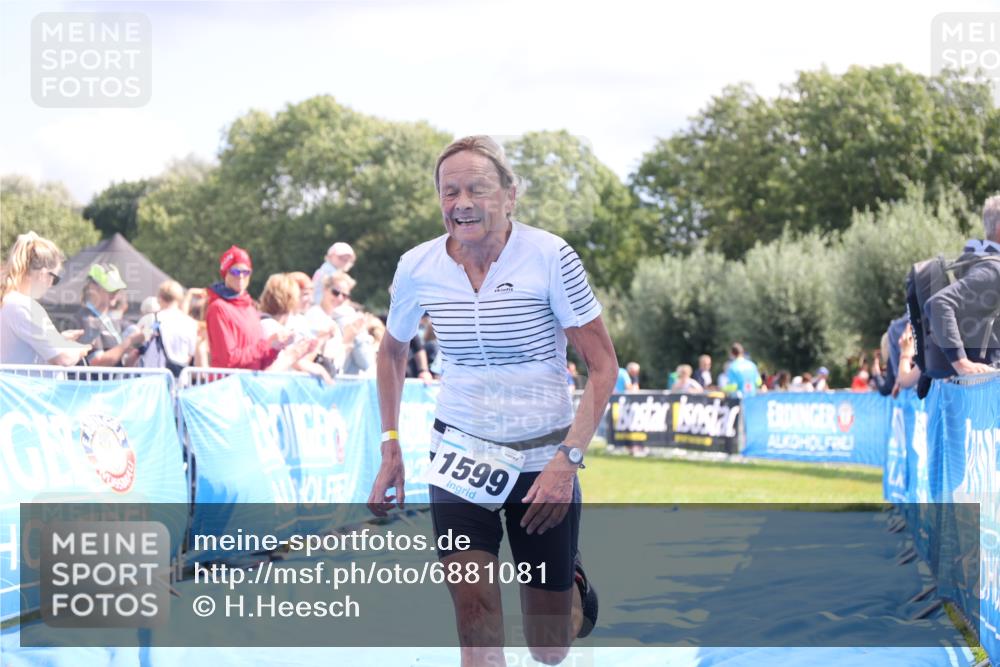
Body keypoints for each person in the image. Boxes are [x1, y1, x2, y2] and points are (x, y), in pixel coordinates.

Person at [367, 135, 613, 665]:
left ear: (510, 195)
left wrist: (567, 461)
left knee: (548, 646)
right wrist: (391, 447)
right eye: (449, 191)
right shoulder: (417, 266)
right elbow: (391, 353)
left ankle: (569, 581)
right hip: (460, 457)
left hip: (542, 458)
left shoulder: (550, 256)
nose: (461, 203)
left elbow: (603, 367)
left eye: (476, 188)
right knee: (474, 612)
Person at [205, 245, 314, 371]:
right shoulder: (218, 308)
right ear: (225, 273)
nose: (240, 276)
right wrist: (268, 344)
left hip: (249, 384)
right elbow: (228, 359)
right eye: (235, 272)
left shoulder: (249, 306)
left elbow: (260, 362)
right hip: (230, 385)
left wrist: (277, 348)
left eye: (245, 272)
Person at [925, 195, 1000, 375]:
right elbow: (939, 303)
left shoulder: (978, 263)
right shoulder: (994, 269)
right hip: (987, 385)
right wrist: (961, 363)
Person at [0, 232, 91, 365]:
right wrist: (80, 350)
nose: (51, 285)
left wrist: (59, 340)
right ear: (43, 274)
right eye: (55, 279)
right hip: (25, 385)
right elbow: (63, 358)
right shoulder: (25, 306)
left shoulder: (8, 300)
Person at [74, 263, 146, 367]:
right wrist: (128, 342)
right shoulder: (86, 319)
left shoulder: (109, 319)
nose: (115, 293)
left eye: (117, 289)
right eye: (110, 288)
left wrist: (137, 352)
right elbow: (96, 363)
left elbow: (119, 364)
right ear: (93, 287)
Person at [138, 280, 198, 375]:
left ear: (159, 298)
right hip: (180, 377)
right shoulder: (190, 323)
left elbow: (140, 343)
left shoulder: (152, 319)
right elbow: (191, 353)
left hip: (153, 377)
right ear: (179, 298)